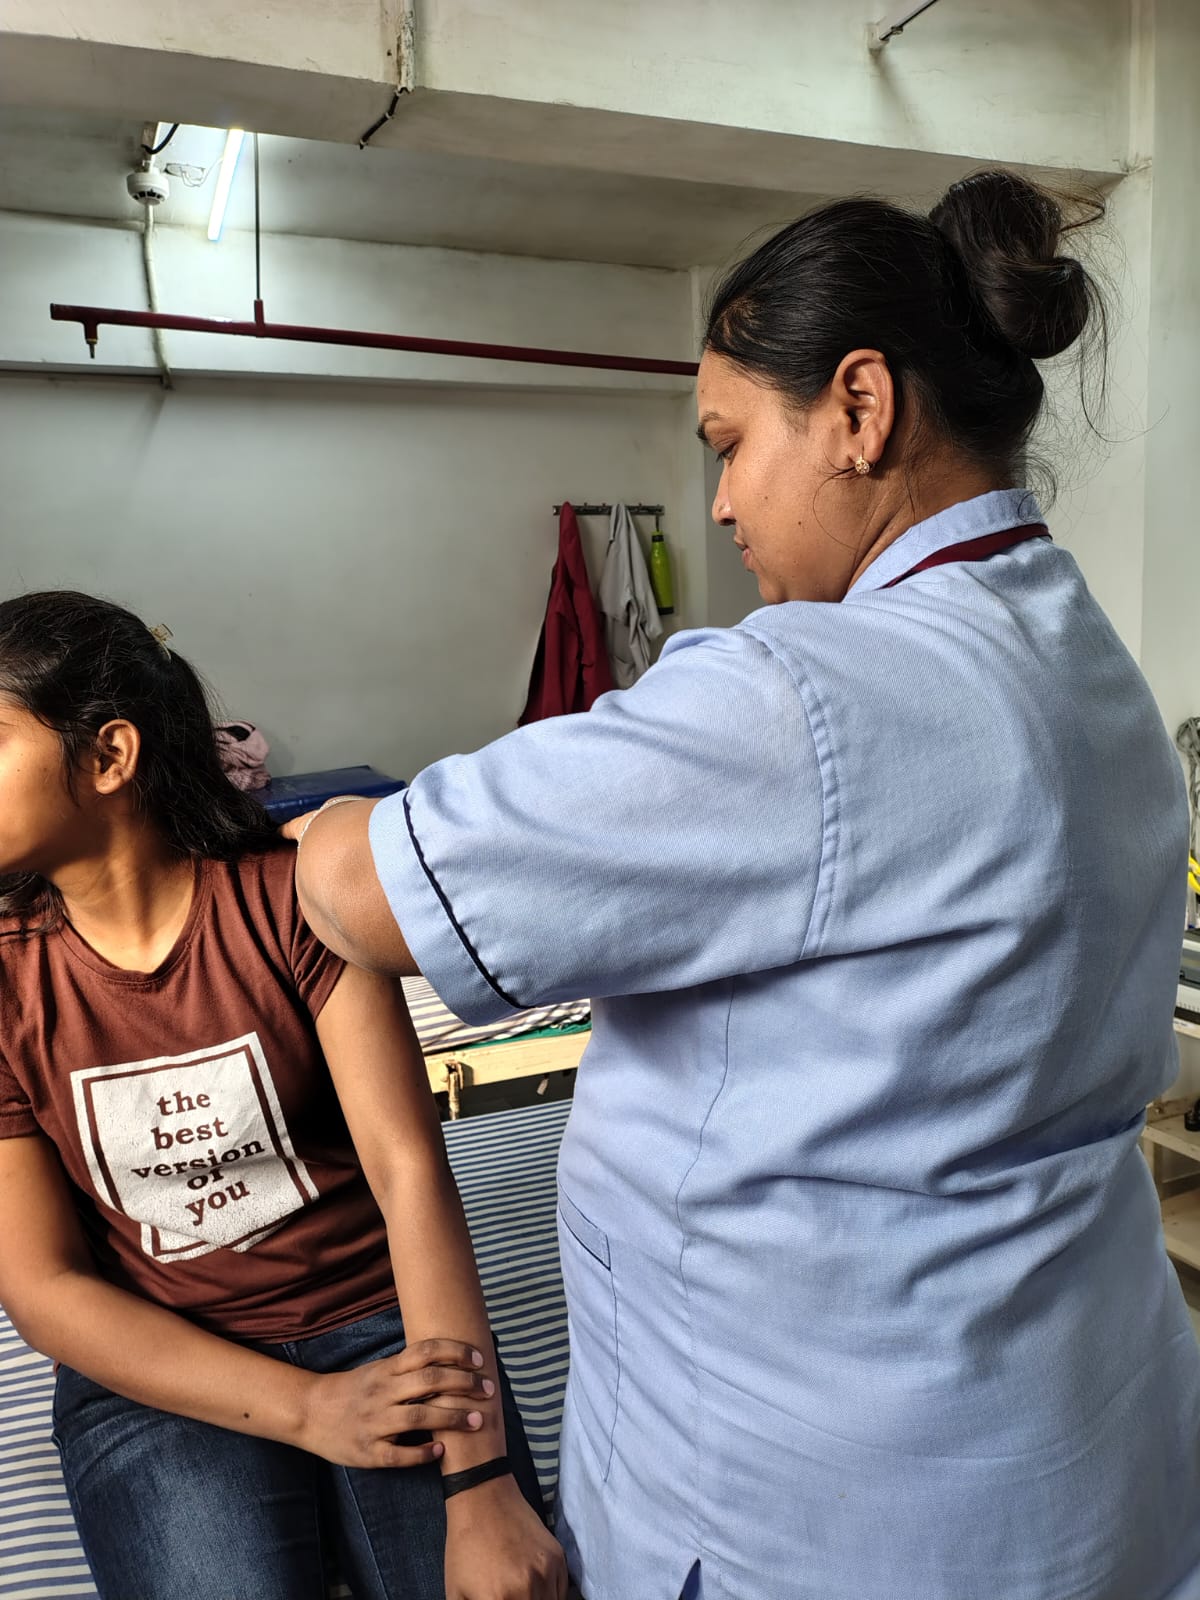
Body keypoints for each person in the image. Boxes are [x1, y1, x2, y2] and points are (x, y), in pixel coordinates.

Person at [287, 171, 1200, 1600]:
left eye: (728, 443)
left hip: (826, 1502)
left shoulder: (800, 696)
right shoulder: (1090, 666)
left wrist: (317, 821)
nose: (717, 504)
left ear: (859, 409)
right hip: (1073, 1431)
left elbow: (368, 893)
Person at [0, 591, 567, 1600]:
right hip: (161, 1362)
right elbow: (42, 1287)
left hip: (379, 1321)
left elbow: (407, 1172)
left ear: (109, 756)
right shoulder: (10, 981)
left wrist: (479, 1483)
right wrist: (311, 1412)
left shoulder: (291, 900)